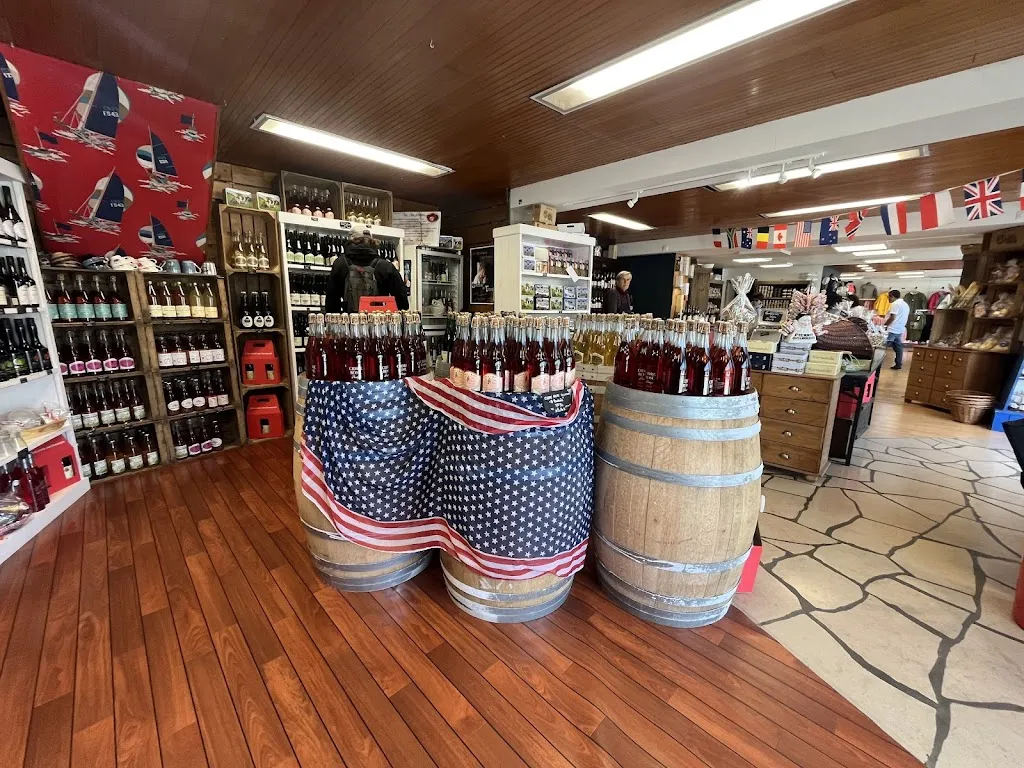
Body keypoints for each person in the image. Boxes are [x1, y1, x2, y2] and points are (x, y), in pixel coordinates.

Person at [325, 235, 409, 313]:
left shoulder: (340, 264)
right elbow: (402, 298)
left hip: (349, 321)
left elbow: (331, 299)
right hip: (378, 321)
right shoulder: (385, 266)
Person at [883, 289, 910, 370]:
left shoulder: (895, 304)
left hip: (892, 329)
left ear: (892, 296)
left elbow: (892, 317)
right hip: (900, 328)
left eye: (889, 297)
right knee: (898, 348)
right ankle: (898, 364)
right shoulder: (905, 304)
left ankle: (876, 365)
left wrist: (885, 325)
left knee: (881, 346)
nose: (888, 299)